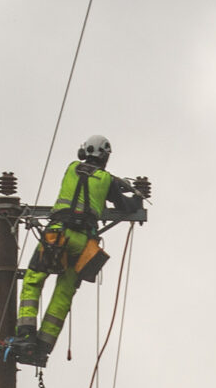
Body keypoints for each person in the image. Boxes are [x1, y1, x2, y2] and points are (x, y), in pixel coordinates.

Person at [11, 135, 142, 367]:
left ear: (84, 152)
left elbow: (82, 181)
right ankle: (42, 348)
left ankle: (26, 335)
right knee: (64, 292)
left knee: (34, 279)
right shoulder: (107, 180)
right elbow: (125, 206)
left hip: (57, 234)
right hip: (83, 243)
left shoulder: (71, 168)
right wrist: (136, 198)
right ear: (106, 157)